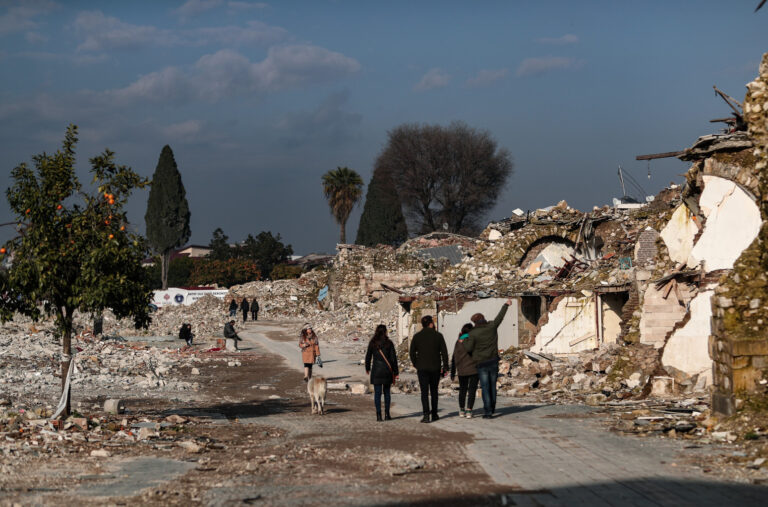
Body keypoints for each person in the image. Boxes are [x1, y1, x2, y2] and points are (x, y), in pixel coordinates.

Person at [463, 299, 513, 419]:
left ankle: (488, 411)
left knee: (485, 387)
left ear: (474, 322)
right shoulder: (492, 326)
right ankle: (492, 407)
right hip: (493, 361)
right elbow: (500, 317)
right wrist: (506, 305)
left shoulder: (473, 333)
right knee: (492, 385)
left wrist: (465, 339)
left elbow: (468, 348)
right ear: (484, 319)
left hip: (481, 363)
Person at [409, 315, 448, 423]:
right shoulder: (438, 336)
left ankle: (426, 415)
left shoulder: (417, 336)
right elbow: (444, 352)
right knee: (434, 391)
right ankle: (434, 413)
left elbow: (412, 353)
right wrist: (445, 367)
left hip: (422, 368)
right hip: (435, 368)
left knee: (424, 392)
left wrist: (416, 364)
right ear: (431, 323)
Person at [365, 324, 399, 422]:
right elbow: (393, 359)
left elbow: (368, 357)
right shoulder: (389, 343)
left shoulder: (373, 343)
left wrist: (367, 368)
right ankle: (387, 414)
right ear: (385, 332)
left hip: (376, 371)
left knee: (377, 394)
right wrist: (396, 372)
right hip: (387, 372)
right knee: (387, 394)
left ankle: (379, 415)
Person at [450, 323, 478, 418]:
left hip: (461, 370)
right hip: (473, 369)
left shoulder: (458, 342)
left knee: (462, 390)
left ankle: (462, 410)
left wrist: (453, 372)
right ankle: (469, 410)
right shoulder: (472, 341)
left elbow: (454, 358)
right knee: (472, 390)